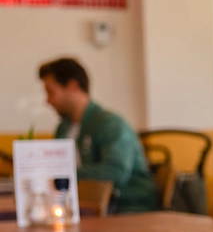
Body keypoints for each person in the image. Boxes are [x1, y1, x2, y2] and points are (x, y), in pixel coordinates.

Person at [39, 57, 159, 213]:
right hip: (85, 208)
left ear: (72, 86)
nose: (48, 101)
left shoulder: (110, 124)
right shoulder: (63, 129)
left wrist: (63, 175)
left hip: (127, 209)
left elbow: (115, 171)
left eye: (51, 92)